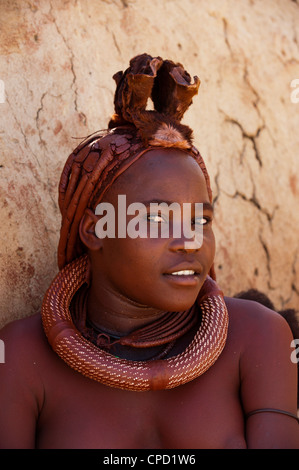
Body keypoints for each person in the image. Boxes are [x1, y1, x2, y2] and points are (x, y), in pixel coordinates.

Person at [0, 53, 298, 450]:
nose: (190, 241)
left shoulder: (257, 338)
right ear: (96, 229)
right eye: (157, 219)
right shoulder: (19, 357)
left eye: (201, 221)